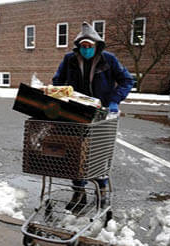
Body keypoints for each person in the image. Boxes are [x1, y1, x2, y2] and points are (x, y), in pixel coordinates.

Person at [52, 22, 134, 211]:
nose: (86, 49)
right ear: (78, 46)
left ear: (97, 46)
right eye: (83, 46)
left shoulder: (108, 60)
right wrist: (62, 95)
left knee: (99, 153)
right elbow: (57, 80)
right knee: (76, 152)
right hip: (76, 112)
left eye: (90, 46)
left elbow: (126, 80)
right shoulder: (70, 60)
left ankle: (102, 191)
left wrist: (114, 100)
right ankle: (79, 192)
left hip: (101, 113)